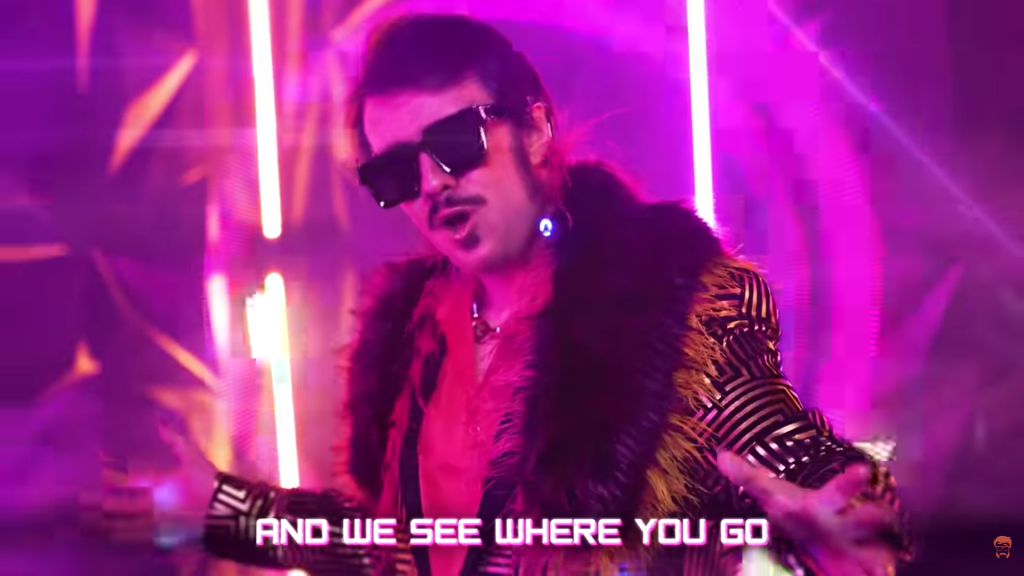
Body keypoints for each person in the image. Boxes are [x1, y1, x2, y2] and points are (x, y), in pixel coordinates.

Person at [96, 14, 912, 575]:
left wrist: (844, 520)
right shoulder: (410, 335)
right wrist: (224, 510)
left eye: (456, 143)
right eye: (395, 171)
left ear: (536, 129)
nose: (431, 184)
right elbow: (401, 547)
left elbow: (791, 454)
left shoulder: (673, 307)